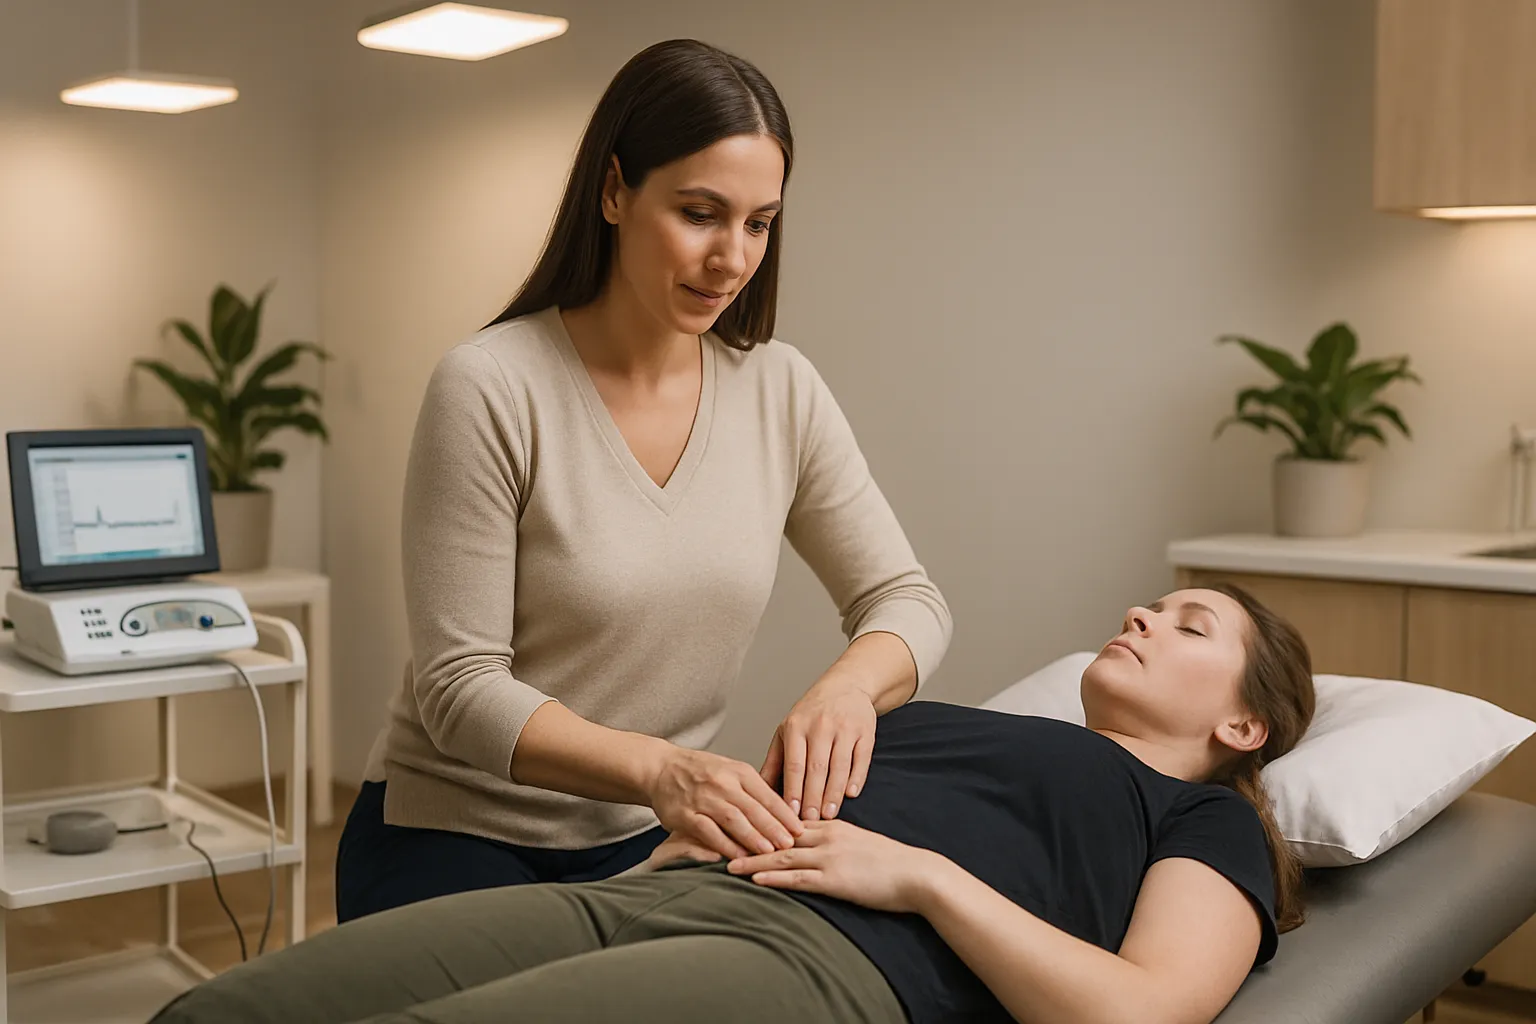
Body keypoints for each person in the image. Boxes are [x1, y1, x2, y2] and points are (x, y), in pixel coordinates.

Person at [336, 37, 954, 922]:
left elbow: (907, 599)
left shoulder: (780, 390)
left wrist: (848, 688)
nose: (732, 257)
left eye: (759, 223)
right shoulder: (491, 385)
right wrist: (662, 770)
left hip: (649, 836)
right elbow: (459, 688)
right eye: (700, 214)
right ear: (614, 191)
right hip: (456, 835)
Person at [153, 583, 1315, 1024]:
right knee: (227, 1011)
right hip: (647, 891)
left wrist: (919, 879)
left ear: (1245, 725)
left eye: (1191, 625)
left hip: (829, 960)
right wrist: (669, 851)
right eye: (1153, 605)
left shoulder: (1201, 816)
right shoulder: (967, 721)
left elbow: (1142, 1011)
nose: (1144, 616)